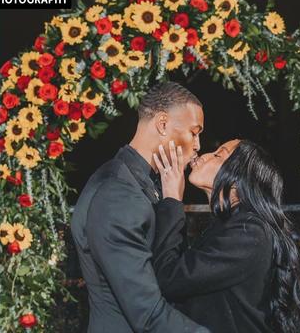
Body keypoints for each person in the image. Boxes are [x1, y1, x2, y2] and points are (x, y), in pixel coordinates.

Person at [70, 82, 209, 332]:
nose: (198, 145)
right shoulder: (118, 194)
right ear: (163, 124)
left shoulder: (135, 182)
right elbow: (147, 313)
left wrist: (171, 201)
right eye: (194, 132)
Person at [152, 139, 300, 332]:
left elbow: (170, 278)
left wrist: (171, 199)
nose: (205, 155)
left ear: (237, 181)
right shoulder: (231, 228)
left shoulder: (249, 233)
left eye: (219, 154)